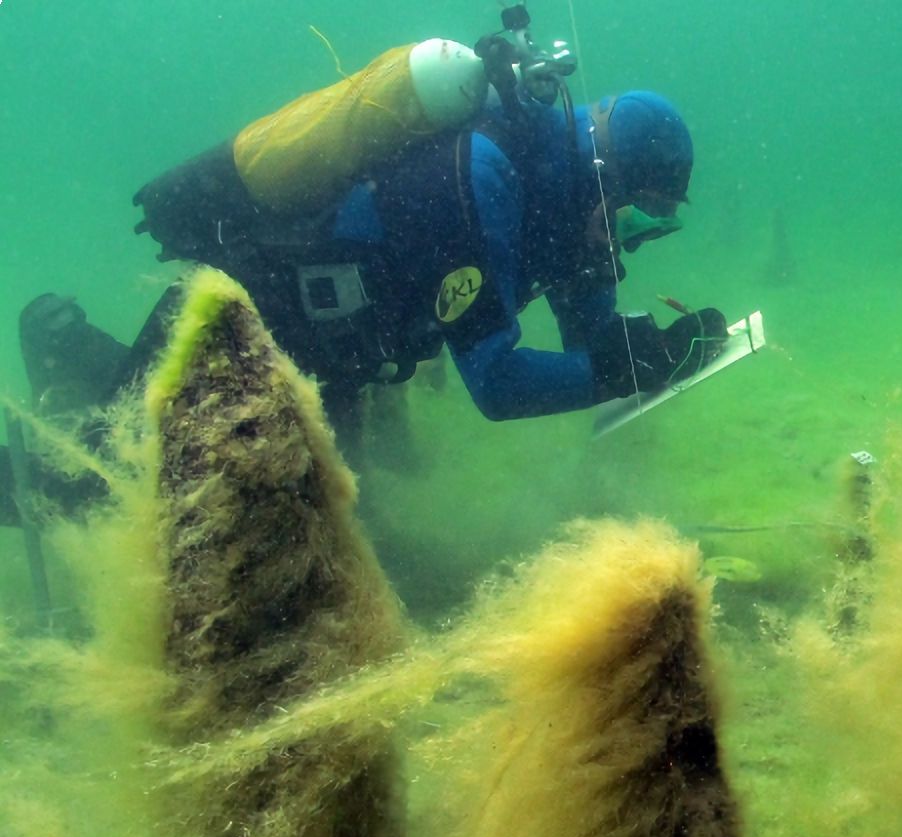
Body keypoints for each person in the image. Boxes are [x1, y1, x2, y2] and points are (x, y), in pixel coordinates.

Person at [10, 34, 726, 520]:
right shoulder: (484, 179)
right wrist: (627, 369)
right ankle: (57, 353)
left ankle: (67, 341)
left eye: (660, 228)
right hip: (245, 321)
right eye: (641, 218)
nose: (638, 239)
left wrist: (663, 351)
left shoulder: (572, 212)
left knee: (345, 527)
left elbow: (596, 345)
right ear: (606, 176)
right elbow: (499, 385)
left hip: (339, 361)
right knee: (102, 489)